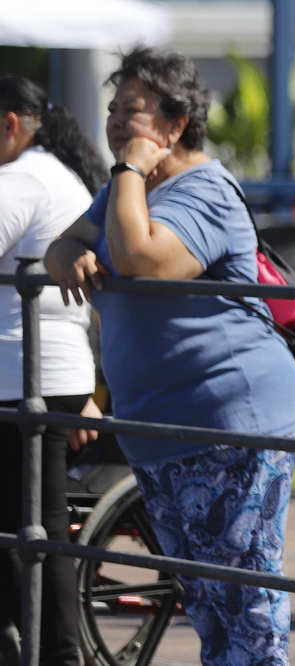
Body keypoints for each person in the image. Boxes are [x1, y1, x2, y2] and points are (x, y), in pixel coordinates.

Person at [43, 47, 295, 666]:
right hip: (160, 427)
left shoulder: (202, 189)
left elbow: (143, 258)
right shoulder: (126, 191)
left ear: (177, 122)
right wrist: (71, 254)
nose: (114, 122)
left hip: (224, 422)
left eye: (131, 110)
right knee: (206, 603)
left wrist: (130, 169)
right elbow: (61, 245)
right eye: (112, 109)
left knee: (243, 600)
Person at [0, 77, 104, 666]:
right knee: (36, 530)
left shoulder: (22, 179)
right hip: (46, 375)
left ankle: (60, 655)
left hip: (22, 378)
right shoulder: (55, 173)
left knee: (33, 533)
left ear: (10, 124)